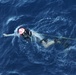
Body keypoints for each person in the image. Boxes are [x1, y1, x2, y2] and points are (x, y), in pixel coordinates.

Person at [3, 27, 68, 48]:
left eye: (21, 33)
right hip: (37, 40)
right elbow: (14, 34)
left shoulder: (32, 34)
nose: (20, 34)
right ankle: (60, 41)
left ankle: (57, 40)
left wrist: (42, 40)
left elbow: (38, 36)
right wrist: (7, 35)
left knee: (46, 46)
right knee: (47, 43)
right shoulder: (21, 34)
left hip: (39, 39)